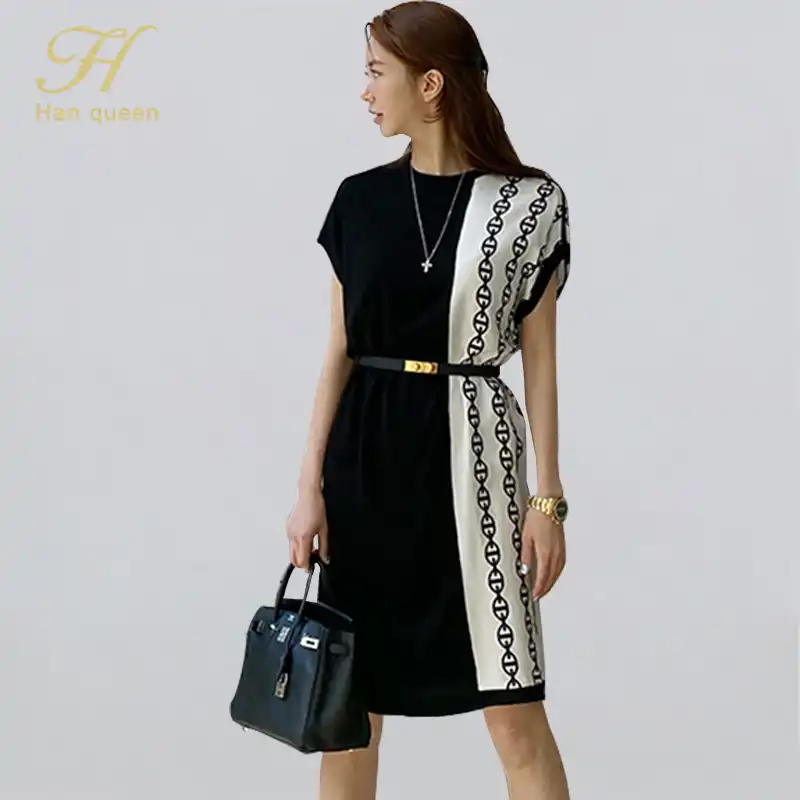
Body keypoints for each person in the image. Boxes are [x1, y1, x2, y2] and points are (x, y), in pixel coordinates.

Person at [285, 2, 572, 798]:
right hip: (366, 466)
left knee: (514, 711)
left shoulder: (530, 205)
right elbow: (337, 353)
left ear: (431, 84)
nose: (365, 91)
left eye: (376, 72)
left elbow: (542, 366)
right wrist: (308, 487)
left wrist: (547, 500)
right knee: (351, 713)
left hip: (478, 467)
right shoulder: (358, 200)